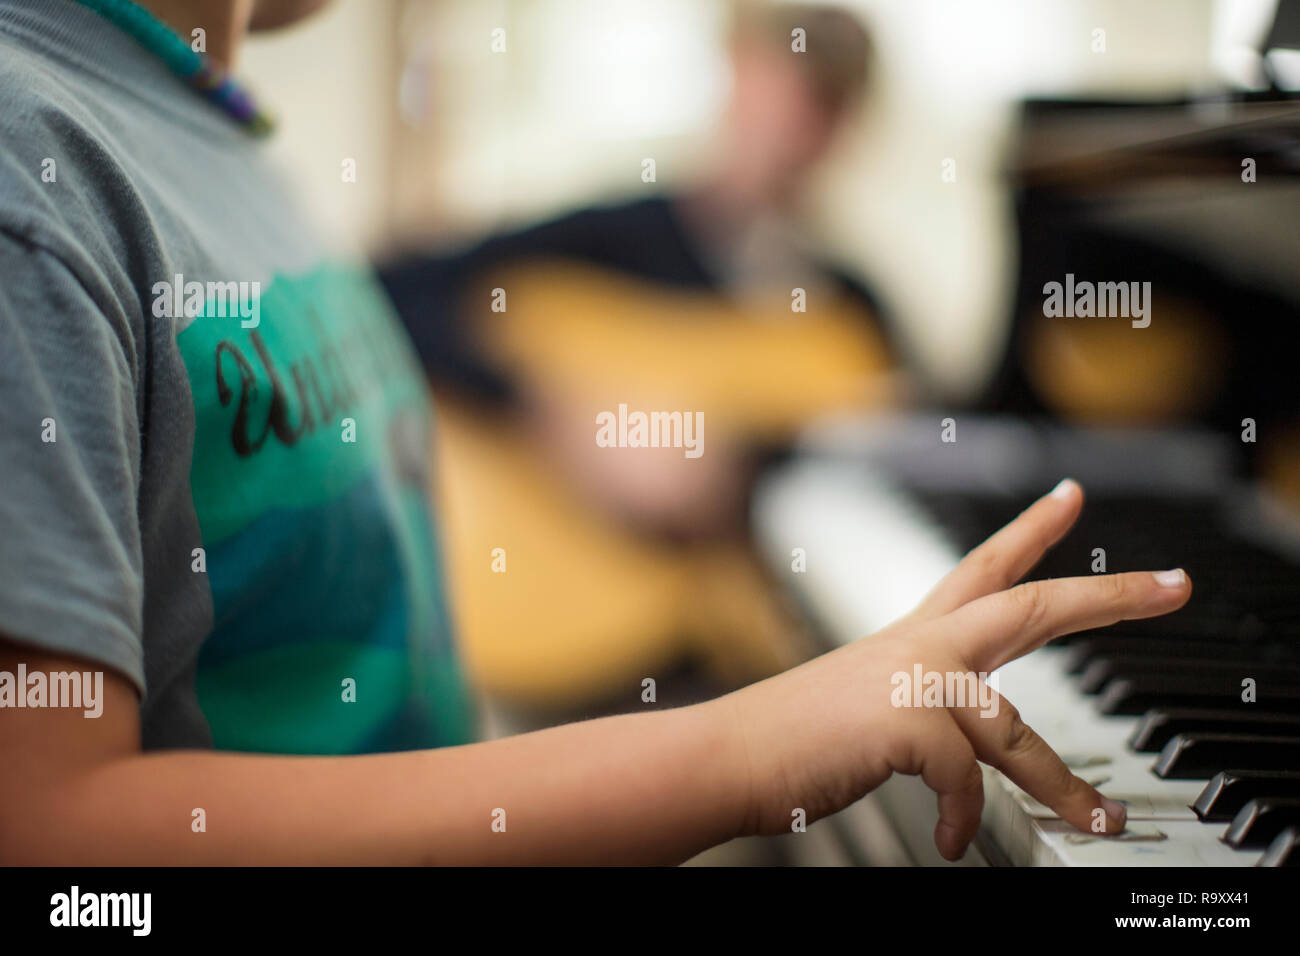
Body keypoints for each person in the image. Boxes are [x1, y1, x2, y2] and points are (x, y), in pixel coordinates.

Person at [0, 0, 1190, 865]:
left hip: (660, 650)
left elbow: (894, 431)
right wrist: (568, 420)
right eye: (768, 88)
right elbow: (50, 843)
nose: (784, 126)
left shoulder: (217, 131)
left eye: (817, 106)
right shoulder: (37, 173)